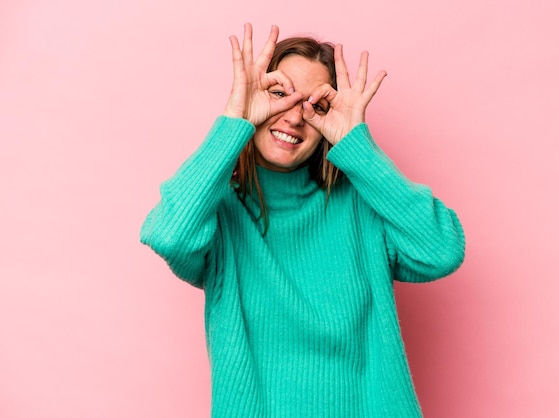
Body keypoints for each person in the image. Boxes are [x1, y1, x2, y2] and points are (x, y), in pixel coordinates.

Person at [140, 23, 465, 418]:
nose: (293, 116)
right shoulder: (220, 211)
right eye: (278, 94)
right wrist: (234, 121)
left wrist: (356, 144)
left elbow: (442, 251)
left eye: (316, 106)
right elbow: (168, 235)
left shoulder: (363, 204)